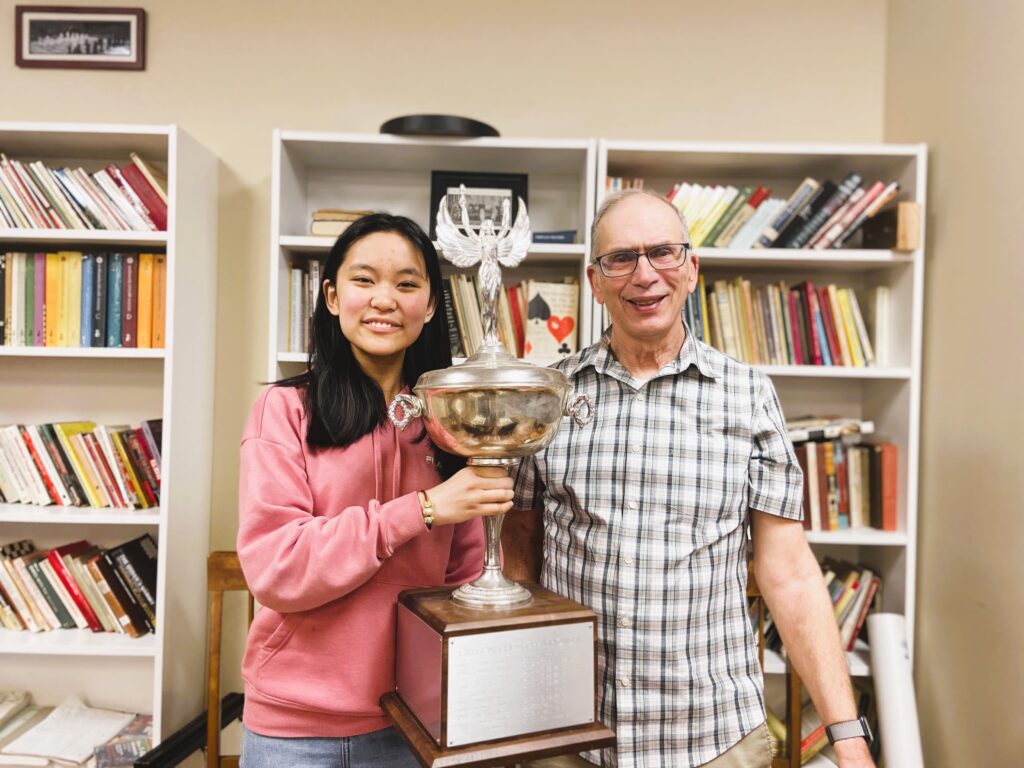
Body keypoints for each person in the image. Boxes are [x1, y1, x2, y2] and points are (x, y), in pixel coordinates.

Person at [513, 190, 876, 768]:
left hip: (712, 738)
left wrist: (847, 734)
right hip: (568, 734)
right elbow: (519, 549)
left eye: (662, 253)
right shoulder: (547, 396)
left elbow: (789, 573)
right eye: (621, 258)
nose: (645, 275)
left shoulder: (750, 397)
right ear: (595, 280)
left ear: (691, 268)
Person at [236, 213, 513, 767]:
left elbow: (463, 580)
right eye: (365, 280)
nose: (385, 299)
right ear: (333, 297)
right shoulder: (285, 409)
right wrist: (423, 510)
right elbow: (276, 567)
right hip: (296, 727)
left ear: (431, 306)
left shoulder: (448, 422)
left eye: (407, 284)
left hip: (415, 720)